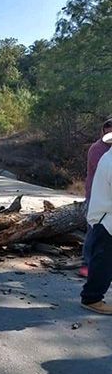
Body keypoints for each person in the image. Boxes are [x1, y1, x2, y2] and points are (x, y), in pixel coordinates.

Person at [81, 132, 112, 314]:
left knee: (105, 260)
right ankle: (92, 298)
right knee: (103, 262)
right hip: (106, 219)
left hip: (105, 217)